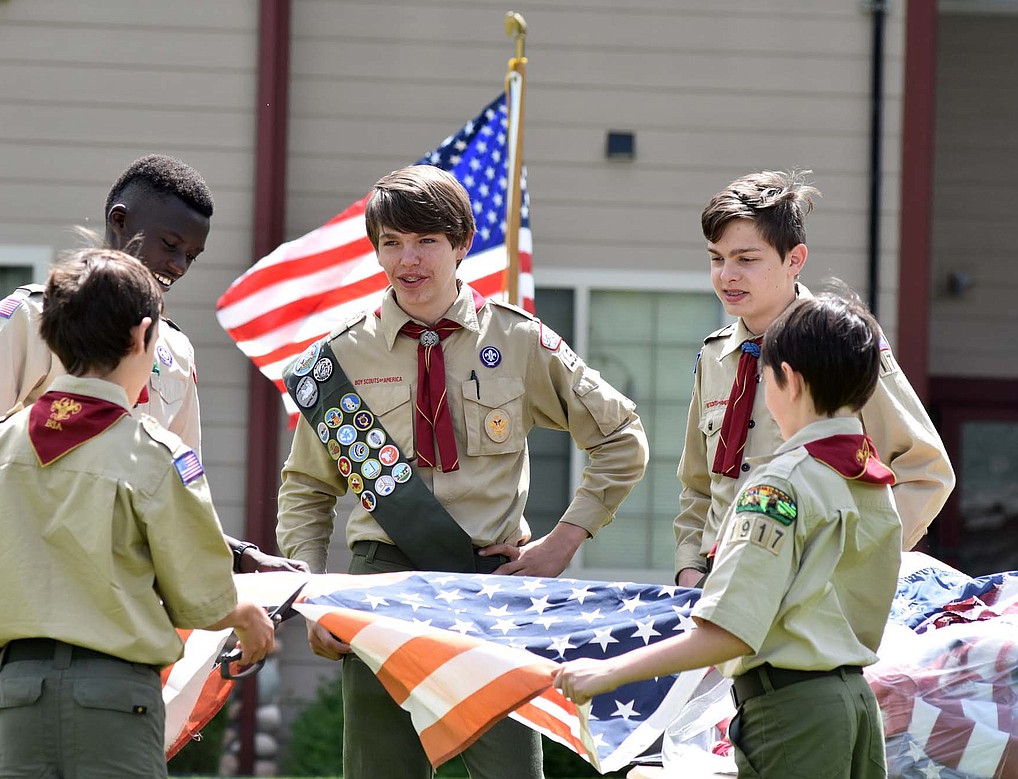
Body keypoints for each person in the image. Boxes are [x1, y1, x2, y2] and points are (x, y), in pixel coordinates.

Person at [276, 164, 649, 779]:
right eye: (391, 243)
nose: (408, 260)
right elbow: (308, 487)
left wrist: (565, 540)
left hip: (490, 589)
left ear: (460, 245)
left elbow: (620, 437)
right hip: (382, 589)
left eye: (426, 241)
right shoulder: (341, 356)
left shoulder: (519, 341)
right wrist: (312, 595)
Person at [0, 248, 275, 778]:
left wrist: (16, 599)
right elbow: (201, 597)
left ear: (49, 336)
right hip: (117, 701)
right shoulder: (154, 453)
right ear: (143, 335)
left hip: (18, 695)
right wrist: (245, 616)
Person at [0, 154, 304, 574]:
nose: (180, 264)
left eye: (192, 255)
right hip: (31, 585)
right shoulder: (36, 315)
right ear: (120, 221)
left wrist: (244, 558)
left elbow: (179, 501)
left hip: (134, 612)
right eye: (170, 244)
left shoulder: (174, 350)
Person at [556, 292, 901, 779]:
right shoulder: (872, 481)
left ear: (790, 381)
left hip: (791, 710)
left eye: (765, 376)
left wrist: (607, 672)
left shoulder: (780, 484)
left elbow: (729, 630)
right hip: (856, 704)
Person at [674, 169, 954, 587]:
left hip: (809, 597)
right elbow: (699, 486)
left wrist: (851, 569)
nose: (726, 275)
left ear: (795, 259)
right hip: (717, 591)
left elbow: (926, 471)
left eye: (747, 259)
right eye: (717, 258)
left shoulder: (840, 344)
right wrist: (689, 570)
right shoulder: (715, 357)